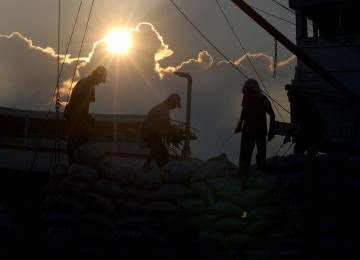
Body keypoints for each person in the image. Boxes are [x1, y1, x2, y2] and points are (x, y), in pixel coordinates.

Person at [63, 65, 107, 164]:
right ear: (98, 76)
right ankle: (75, 161)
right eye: (100, 80)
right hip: (74, 115)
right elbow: (82, 103)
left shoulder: (84, 81)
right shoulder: (89, 86)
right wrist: (86, 117)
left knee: (74, 138)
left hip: (71, 114)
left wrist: (85, 116)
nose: (99, 83)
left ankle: (73, 162)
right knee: (81, 136)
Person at [234, 79, 275, 176]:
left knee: (245, 154)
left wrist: (239, 125)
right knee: (261, 153)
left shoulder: (248, 94)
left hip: (249, 130)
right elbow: (272, 114)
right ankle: (261, 172)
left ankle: (243, 174)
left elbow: (245, 110)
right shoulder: (264, 98)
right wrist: (271, 131)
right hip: (262, 131)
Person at [139, 93, 183, 171]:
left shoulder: (163, 108)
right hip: (148, 132)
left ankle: (147, 165)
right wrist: (174, 134)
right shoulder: (163, 110)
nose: (175, 107)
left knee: (157, 148)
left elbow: (165, 127)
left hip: (149, 132)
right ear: (171, 101)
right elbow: (166, 127)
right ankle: (164, 169)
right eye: (175, 105)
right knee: (161, 151)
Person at [284, 85, 325, 156]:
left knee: (300, 148)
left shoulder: (299, 106)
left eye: (290, 98)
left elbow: (294, 124)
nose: (289, 100)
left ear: (294, 97)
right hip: (314, 129)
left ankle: (300, 162)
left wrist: (288, 136)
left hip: (313, 129)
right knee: (309, 149)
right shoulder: (306, 102)